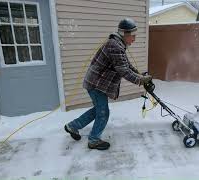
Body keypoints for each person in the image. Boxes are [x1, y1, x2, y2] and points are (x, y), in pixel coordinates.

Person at [64, 18, 152, 150]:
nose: (134, 39)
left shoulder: (118, 45)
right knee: (103, 112)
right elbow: (123, 71)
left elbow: (126, 65)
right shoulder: (115, 46)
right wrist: (140, 80)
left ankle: (73, 126)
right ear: (124, 34)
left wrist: (140, 75)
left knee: (98, 110)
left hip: (96, 82)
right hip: (96, 84)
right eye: (132, 36)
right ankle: (93, 140)